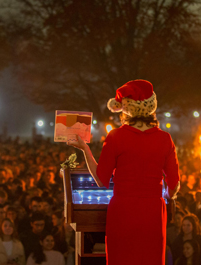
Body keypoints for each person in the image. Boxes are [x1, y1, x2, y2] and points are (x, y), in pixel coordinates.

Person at [67, 80, 180, 265]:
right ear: (151, 106)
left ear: (125, 109)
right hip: (152, 214)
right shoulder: (165, 139)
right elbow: (174, 186)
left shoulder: (116, 137)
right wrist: (167, 194)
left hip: (122, 212)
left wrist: (85, 149)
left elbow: (101, 179)